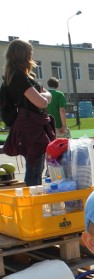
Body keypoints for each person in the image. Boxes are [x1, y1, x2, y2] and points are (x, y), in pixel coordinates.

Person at [2, 39, 54, 186]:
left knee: (36, 166)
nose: (32, 57)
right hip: (30, 128)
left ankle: (33, 200)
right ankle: (32, 202)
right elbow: (42, 101)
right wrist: (45, 97)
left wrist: (44, 97)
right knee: (34, 168)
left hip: (27, 126)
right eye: (30, 53)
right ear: (24, 56)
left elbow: (45, 95)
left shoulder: (15, 76)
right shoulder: (18, 77)